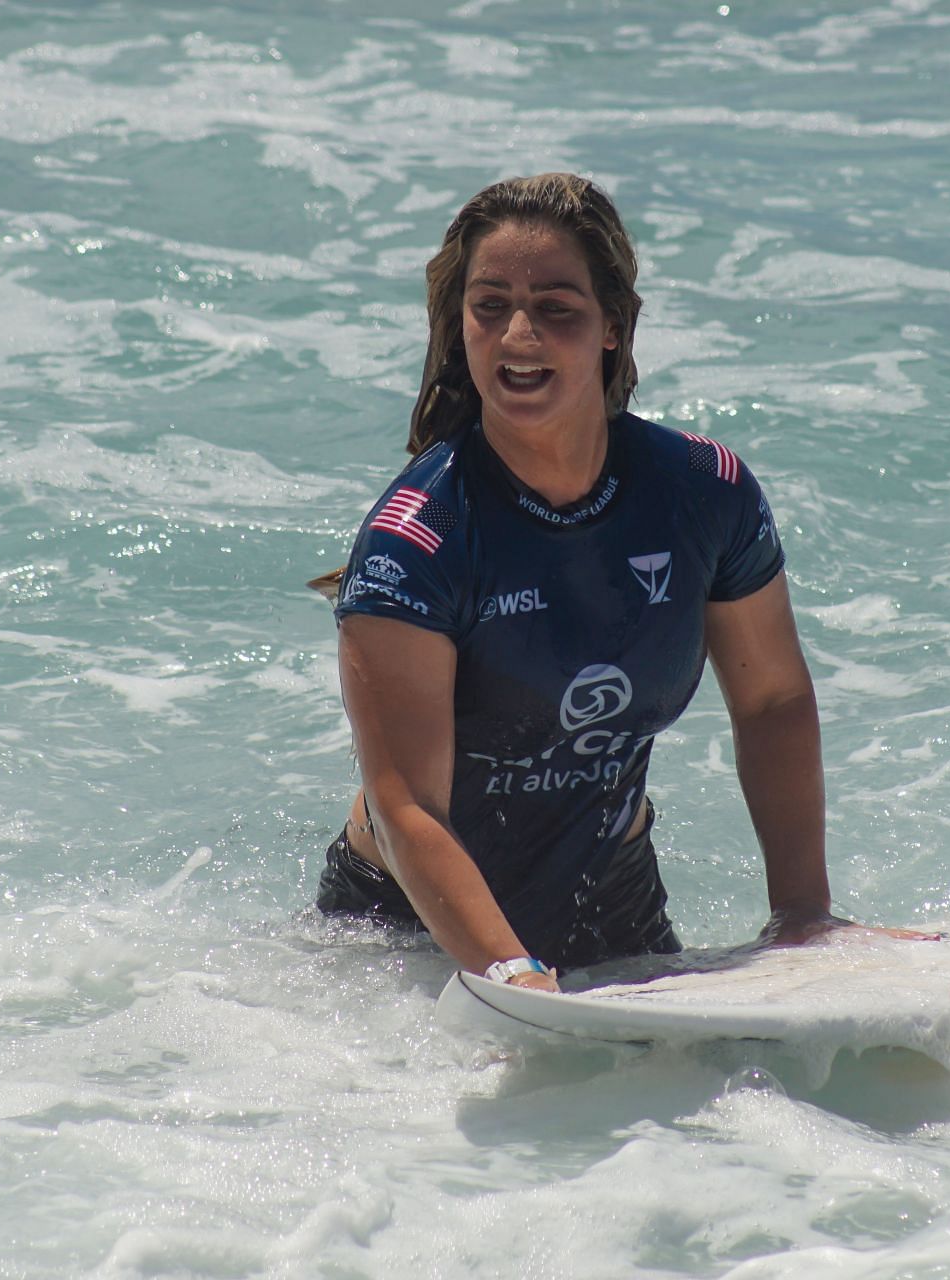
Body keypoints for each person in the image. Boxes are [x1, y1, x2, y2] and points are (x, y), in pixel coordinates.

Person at [318, 172, 873, 993]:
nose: (519, 334)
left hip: (611, 905)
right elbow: (409, 813)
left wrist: (803, 916)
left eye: (555, 308)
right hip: (411, 930)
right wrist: (510, 972)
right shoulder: (417, 539)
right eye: (490, 304)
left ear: (612, 326)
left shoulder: (702, 491)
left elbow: (772, 702)